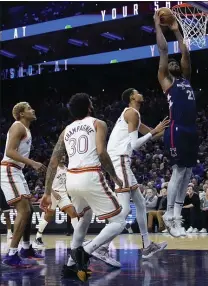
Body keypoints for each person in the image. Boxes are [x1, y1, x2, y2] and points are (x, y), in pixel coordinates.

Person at [40, 93, 125, 282]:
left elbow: (53, 162)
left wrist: (46, 193)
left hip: (71, 178)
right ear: (89, 106)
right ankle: (86, 251)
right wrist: (114, 176)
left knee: (83, 218)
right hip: (90, 174)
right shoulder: (98, 123)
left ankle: (71, 265)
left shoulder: (66, 130)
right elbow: (102, 152)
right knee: (119, 221)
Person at [107, 88, 168, 258]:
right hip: (119, 159)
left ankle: (147, 246)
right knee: (125, 210)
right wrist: (153, 131)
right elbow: (135, 144)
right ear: (132, 97)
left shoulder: (133, 115)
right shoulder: (132, 113)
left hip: (121, 160)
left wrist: (170, 128)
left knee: (140, 204)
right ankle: (101, 246)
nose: (141, 93)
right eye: (138, 92)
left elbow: (153, 134)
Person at [154, 11, 198, 237]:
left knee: (188, 172)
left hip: (191, 130)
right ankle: (169, 215)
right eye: (169, 63)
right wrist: (158, 25)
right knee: (178, 171)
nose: (173, 62)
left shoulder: (186, 78)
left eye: (175, 62)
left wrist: (176, 30)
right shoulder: (167, 81)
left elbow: (185, 54)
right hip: (177, 129)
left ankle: (177, 217)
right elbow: (163, 51)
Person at [1, 102, 46, 267]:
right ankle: (12, 254)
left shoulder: (26, 129)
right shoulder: (18, 126)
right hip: (9, 169)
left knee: (29, 209)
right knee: (24, 209)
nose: (33, 110)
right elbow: (9, 152)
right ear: (21, 114)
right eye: (29, 109)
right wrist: (33, 163)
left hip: (17, 170)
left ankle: (26, 248)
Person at [34, 156, 79, 247]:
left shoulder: (66, 169)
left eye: (63, 156)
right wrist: (53, 193)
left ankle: (79, 237)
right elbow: (47, 182)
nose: (62, 158)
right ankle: (38, 237)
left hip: (63, 195)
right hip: (53, 194)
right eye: (60, 156)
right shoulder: (54, 168)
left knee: (73, 213)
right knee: (48, 216)